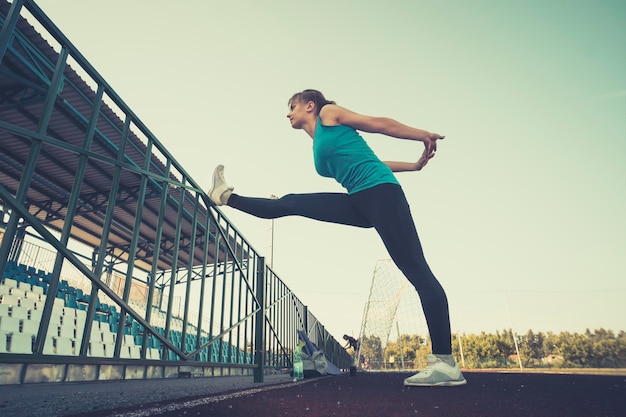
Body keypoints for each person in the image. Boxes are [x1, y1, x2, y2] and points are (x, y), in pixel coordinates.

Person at [208, 89, 466, 387]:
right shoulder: (318, 143)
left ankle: (445, 363)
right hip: (359, 201)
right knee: (291, 203)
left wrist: (421, 135)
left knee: (418, 272)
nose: (288, 113)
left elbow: (378, 123)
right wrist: (414, 166)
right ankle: (225, 196)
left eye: (292, 106)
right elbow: (371, 159)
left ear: (310, 105)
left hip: (381, 195)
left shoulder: (329, 114)